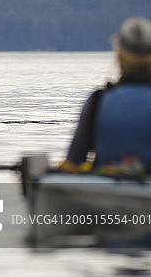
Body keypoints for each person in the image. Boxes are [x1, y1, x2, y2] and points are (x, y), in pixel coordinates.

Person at [61, 16, 151, 175]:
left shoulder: (98, 101)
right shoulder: (97, 101)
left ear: (119, 54)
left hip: (105, 190)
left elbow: (74, 163)